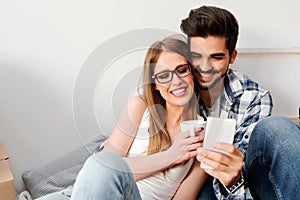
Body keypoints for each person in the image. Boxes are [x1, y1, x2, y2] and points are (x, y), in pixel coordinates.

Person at [181, 5, 300, 199]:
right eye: (196, 56)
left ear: (232, 56)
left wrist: (232, 180)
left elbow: (242, 173)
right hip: (195, 183)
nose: (204, 67)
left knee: (279, 127)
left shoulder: (255, 98)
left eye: (216, 57)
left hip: (245, 187)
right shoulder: (175, 88)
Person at [69, 35, 208, 200]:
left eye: (182, 70)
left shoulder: (203, 134)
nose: (176, 81)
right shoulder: (140, 106)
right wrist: (170, 156)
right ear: (155, 84)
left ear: (192, 72)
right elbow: (104, 166)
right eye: (164, 76)